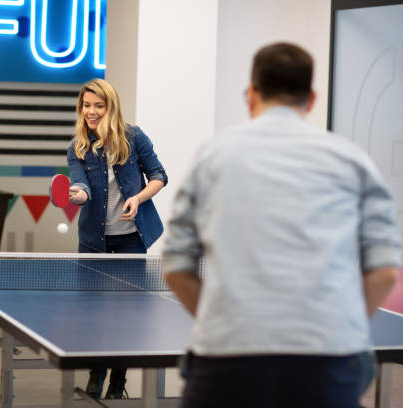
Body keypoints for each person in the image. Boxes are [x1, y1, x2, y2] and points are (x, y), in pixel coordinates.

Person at [162, 42, 401, 408]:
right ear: (312, 98)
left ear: (251, 94)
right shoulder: (352, 161)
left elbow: (176, 266)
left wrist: (223, 319)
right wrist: (340, 324)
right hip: (328, 356)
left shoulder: (212, 156)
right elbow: (385, 272)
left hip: (227, 357)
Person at [67, 78, 167, 399]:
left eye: (99, 105)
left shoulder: (134, 138)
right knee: (94, 313)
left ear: (111, 107)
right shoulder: (78, 147)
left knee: (126, 316)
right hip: (93, 241)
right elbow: (80, 186)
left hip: (130, 240)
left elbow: (159, 176)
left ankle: (117, 384)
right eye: (87, 105)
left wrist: (138, 198)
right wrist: (78, 195)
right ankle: (96, 375)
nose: (92, 112)